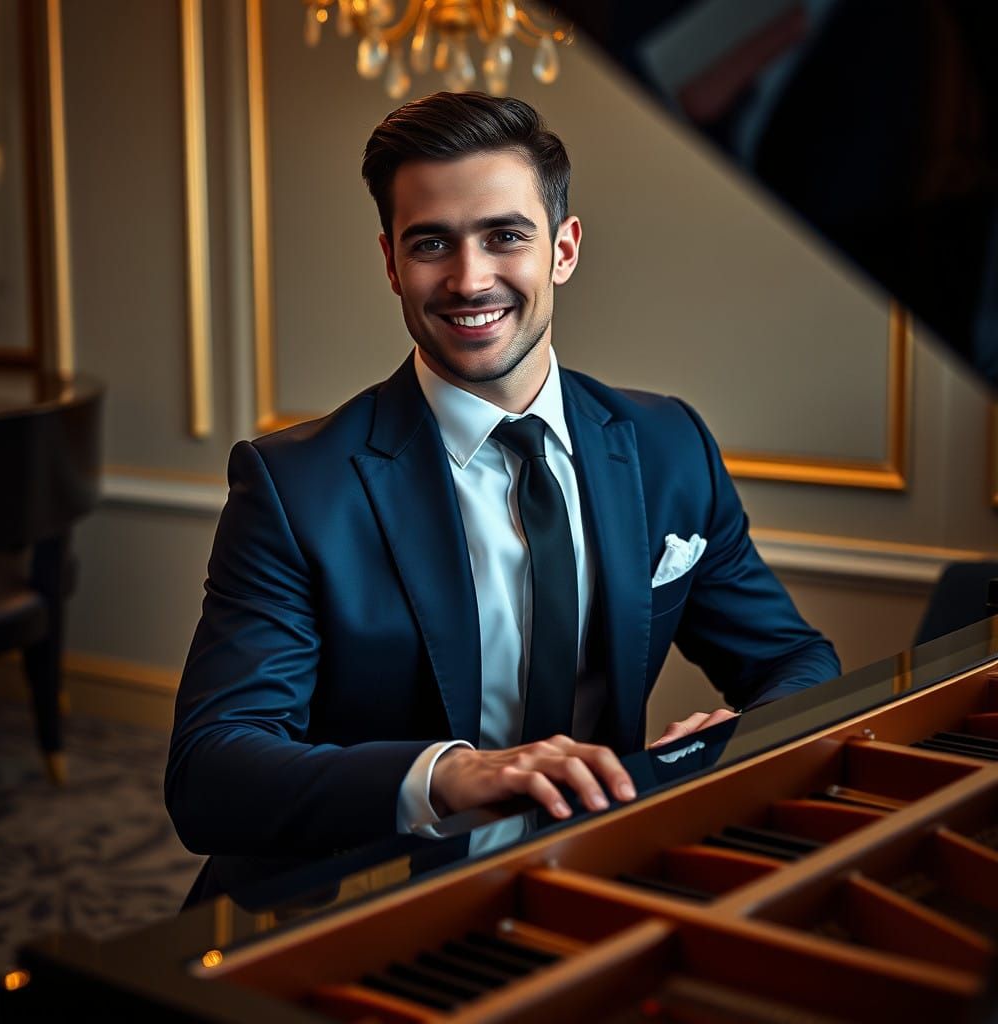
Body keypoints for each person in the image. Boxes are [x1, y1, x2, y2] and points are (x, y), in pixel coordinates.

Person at [165, 92, 839, 899]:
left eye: (505, 236)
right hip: (349, 900)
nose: (468, 278)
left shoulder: (669, 446)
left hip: (595, 884)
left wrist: (746, 735)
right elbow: (211, 771)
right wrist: (451, 777)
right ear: (390, 263)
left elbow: (798, 659)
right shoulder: (294, 485)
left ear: (564, 248)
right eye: (430, 244)